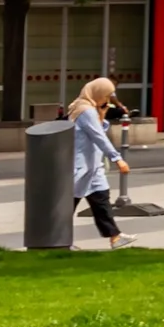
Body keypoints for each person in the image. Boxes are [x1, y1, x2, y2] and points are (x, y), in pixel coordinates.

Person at [68, 76, 128, 250]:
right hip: (81, 166)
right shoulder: (85, 110)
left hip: (93, 166)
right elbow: (99, 136)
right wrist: (117, 158)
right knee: (68, 205)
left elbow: (97, 130)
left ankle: (115, 236)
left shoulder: (88, 109)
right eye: (106, 95)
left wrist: (101, 114)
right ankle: (59, 240)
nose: (107, 100)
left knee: (101, 199)